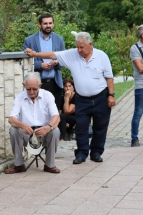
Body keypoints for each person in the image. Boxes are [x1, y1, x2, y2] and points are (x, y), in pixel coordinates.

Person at [25, 32, 115, 164]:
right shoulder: (72, 54)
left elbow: (109, 77)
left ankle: (96, 152)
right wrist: (35, 54)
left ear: (90, 45)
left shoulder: (101, 56)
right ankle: (82, 153)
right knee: (81, 127)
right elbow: (52, 54)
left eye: (82, 47)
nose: (79, 50)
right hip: (82, 99)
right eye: (78, 47)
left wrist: (111, 95)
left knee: (100, 127)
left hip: (101, 97)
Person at [6, 72, 61, 174]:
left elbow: (56, 117)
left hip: (44, 133)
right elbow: (11, 119)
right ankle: (19, 165)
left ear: (40, 86)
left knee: (55, 131)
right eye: (28, 89)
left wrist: (48, 127)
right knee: (13, 129)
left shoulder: (47, 95)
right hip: (27, 134)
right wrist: (22, 125)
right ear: (24, 85)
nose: (31, 92)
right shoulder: (19, 98)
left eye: (34, 89)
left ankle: (50, 165)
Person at [23, 14, 65, 110]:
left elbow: (63, 59)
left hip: (55, 83)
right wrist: (40, 65)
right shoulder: (29, 40)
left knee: (55, 112)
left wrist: (57, 62)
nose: (48, 25)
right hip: (38, 84)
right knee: (38, 112)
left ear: (53, 24)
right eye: (45, 23)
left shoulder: (59, 39)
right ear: (39, 25)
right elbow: (25, 62)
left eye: (50, 23)